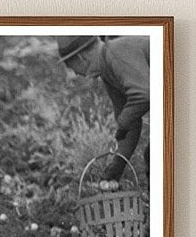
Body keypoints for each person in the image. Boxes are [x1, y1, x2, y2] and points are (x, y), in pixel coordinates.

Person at [57, 35, 149, 189]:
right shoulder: (107, 72)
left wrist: (123, 121)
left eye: (72, 67)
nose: (76, 74)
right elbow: (130, 125)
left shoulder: (117, 53)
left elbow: (144, 94)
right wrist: (116, 167)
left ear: (81, 58)